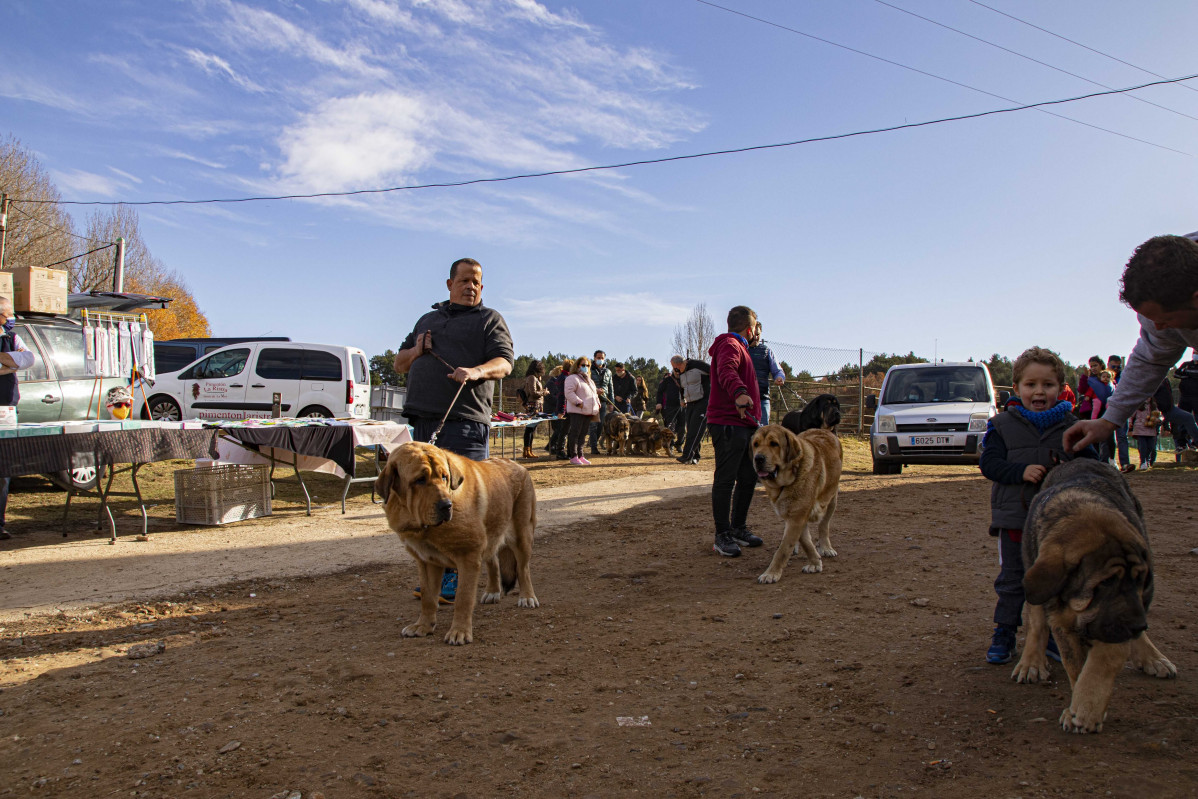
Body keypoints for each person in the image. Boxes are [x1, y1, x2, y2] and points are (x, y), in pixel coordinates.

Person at [393, 258, 514, 602]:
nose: (471, 286)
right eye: (464, 280)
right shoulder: (427, 320)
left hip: (465, 423)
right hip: (425, 424)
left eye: (477, 281)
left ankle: (459, 577)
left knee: (462, 504)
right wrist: (417, 349)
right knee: (429, 501)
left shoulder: (490, 320)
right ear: (449, 284)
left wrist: (477, 371)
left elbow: (505, 362)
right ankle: (438, 574)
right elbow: (399, 363)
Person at [980, 346, 1096, 665]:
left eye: (1048, 384)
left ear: (1061, 389)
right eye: (1031, 385)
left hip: (1061, 525)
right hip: (1015, 518)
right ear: (1016, 388)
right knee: (1012, 579)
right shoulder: (1001, 425)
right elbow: (989, 464)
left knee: (1060, 579)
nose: (1039, 391)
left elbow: (1091, 466)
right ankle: (1004, 632)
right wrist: (1020, 471)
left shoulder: (1073, 425)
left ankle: (1052, 638)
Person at [1066, 235, 1198, 456]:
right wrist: (1109, 420)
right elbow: (1149, 360)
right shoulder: (1163, 309)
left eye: (1165, 319)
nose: (1158, 327)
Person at [707, 305, 763, 557]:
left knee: (748, 477)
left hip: (744, 424)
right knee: (726, 479)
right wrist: (740, 393)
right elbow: (726, 370)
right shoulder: (730, 344)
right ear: (750, 329)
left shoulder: (740, 346)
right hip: (728, 423)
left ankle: (738, 527)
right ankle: (722, 534)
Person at [0, 297, 38, 541]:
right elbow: (16, 361)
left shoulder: (12, 337)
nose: (13, 317)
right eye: (9, 313)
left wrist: (7, 362)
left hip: (6, 410)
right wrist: (10, 363)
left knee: (3, 471)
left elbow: (29, 359)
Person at [747, 321, 785, 425]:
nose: (755, 337)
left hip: (762, 398)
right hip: (744, 398)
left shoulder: (767, 351)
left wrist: (779, 377)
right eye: (753, 334)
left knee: (763, 430)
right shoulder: (741, 350)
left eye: (758, 334)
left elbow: (777, 370)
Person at [564, 357, 599, 466]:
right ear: (577, 365)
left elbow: (594, 394)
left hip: (588, 411)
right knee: (575, 433)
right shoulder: (572, 378)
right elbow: (569, 393)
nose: (585, 367)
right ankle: (573, 456)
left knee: (583, 434)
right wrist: (579, 402)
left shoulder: (590, 380)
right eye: (583, 365)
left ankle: (581, 455)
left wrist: (598, 403)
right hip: (577, 410)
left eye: (587, 365)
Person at [676, 355, 711, 464]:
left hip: (703, 401)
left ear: (681, 364)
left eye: (676, 367)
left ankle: (687, 455)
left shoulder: (698, 365)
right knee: (690, 429)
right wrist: (682, 398)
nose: (675, 371)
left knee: (696, 429)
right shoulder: (681, 372)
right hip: (690, 403)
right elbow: (682, 387)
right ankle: (695, 455)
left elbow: (715, 372)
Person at [1106, 354, 1134, 473]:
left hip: (1122, 410)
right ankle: (1107, 462)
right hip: (1107, 410)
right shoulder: (1104, 377)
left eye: (1119, 367)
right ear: (1108, 365)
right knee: (1107, 438)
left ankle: (1125, 463)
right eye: (1114, 367)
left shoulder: (1124, 377)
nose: (1116, 369)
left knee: (1122, 437)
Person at [519, 359, 549, 459]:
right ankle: (526, 451)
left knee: (531, 429)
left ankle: (529, 450)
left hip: (536, 406)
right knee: (529, 429)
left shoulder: (534, 378)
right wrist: (544, 392)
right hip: (533, 406)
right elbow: (533, 393)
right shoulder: (532, 378)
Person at [586, 350, 614, 456]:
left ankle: (595, 442)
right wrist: (595, 390)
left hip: (603, 401)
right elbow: (586, 385)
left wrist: (611, 402)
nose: (600, 359)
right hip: (592, 400)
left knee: (600, 425)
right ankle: (594, 447)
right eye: (598, 357)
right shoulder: (589, 370)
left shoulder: (608, 372)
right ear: (594, 358)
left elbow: (611, 387)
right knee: (593, 425)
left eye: (602, 358)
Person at [656, 357, 685, 451]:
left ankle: (679, 444)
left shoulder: (685, 378)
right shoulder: (667, 380)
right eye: (676, 370)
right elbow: (659, 392)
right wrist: (659, 403)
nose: (677, 372)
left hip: (683, 406)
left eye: (679, 370)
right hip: (670, 406)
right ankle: (670, 445)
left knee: (682, 427)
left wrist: (686, 400)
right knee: (670, 427)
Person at [546, 361, 572, 459]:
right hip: (560, 408)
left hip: (561, 408)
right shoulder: (563, 379)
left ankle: (557, 449)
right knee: (562, 430)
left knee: (563, 430)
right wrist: (561, 410)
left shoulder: (563, 379)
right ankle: (558, 450)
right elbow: (561, 396)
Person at [1129, 397, 1161, 470]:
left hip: (1150, 428)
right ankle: (1143, 461)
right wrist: (1130, 423)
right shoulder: (1138, 405)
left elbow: (1158, 416)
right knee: (1143, 446)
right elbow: (1131, 415)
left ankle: (1147, 460)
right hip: (1140, 428)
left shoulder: (1153, 406)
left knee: (1150, 446)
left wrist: (1157, 420)